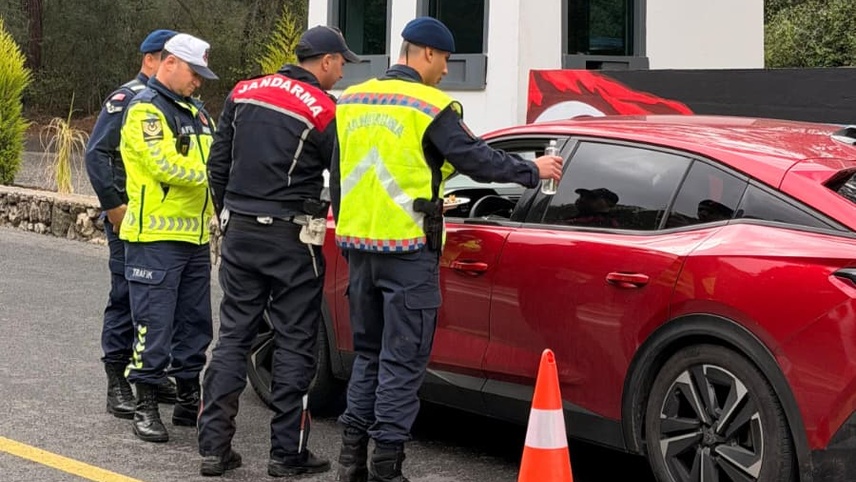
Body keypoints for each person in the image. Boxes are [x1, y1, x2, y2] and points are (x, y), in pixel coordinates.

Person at [331, 16, 563, 482]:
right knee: (401, 362)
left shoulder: (351, 100)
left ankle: (350, 461)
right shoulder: (428, 105)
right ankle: (386, 467)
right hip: (407, 251)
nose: (446, 70)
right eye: (445, 61)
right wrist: (532, 170)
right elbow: (476, 160)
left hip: (358, 250)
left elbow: (339, 176)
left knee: (369, 356)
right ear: (427, 53)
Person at [197, 25, 359, 477]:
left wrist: (229, 212)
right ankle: (286, 454)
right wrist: (348, 233)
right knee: (295, 344)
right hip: (291, 240)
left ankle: (213, 448)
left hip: (240, 232)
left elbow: (217, 164)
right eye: (341, 63)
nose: (342, 72)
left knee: (233, 338)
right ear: (325, 61)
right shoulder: (325, 110)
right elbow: (340, 181)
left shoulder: (243, 91)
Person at [118, 32, 218, 443]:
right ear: (170, 62)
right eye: (194, 73)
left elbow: (218, 154)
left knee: (196, 324)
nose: (198, 82)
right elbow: (163, 165)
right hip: (154, 239)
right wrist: (215, 175)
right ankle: (144, 403)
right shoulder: (145, 109)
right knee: (153, 325)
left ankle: (188, 398)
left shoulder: (198, 113)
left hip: (194, 238)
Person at [84, 29, 179, 420]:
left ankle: (149, 373)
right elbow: (96, 154)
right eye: (170, 59)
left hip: (160, 222)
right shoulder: (127, 99)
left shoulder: (171, 103)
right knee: (126, 296)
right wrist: (113, 207)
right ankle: (117, 380)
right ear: (150, 60)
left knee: (157, 303)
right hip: (128, 219)